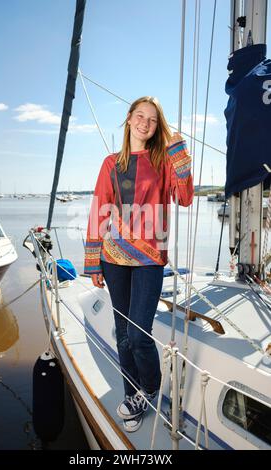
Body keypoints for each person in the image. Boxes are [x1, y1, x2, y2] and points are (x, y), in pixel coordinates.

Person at [84, 96, 194, 432]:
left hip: (149, 259)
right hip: (113, 257)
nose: (145, 123)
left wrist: (177, 147)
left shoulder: (163, 160)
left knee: (137, 333)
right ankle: (134, 398)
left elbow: (186, 197)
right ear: (129, 118)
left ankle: (149, 387)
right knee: (122, 336)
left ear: (158, 126)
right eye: (140, 116)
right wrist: (93, 262)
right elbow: (100, 209)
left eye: (153, 120)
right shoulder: (110, 164)